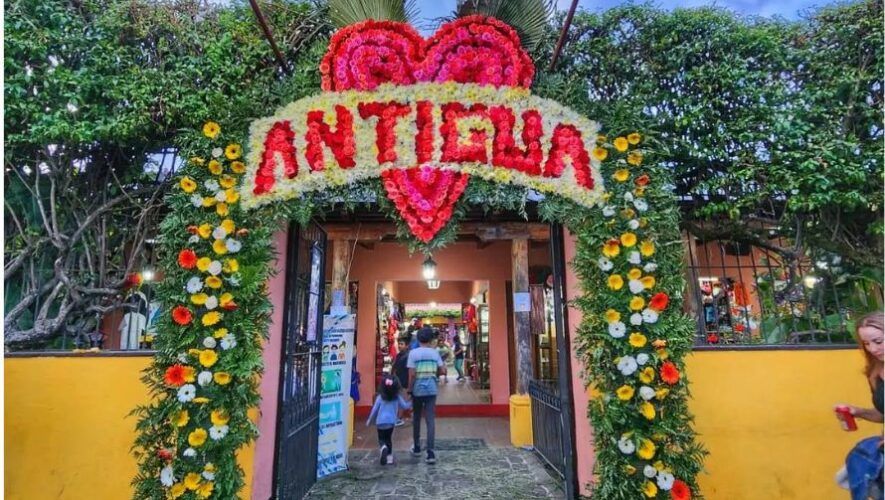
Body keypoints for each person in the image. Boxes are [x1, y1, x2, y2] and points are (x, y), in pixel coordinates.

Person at [834, 311, 884, 499]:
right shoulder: (876, 373)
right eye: (866, 344)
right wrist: (858, 412)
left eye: (878, 341)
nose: (872, 349)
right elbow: (883, 414)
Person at [407, 327, 444, 464]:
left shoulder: (413, 353)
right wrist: (435, 374)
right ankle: (430, 452)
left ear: (418, 339)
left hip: (417, 390)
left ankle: (417, 447)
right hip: (432, 389)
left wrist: (410, 390)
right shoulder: (435, 353)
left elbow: (412, 375)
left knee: (416, 418)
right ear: (430, 339)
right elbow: (443, 369)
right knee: (430, 420)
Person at [366, 374, 411, 466]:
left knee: (381, 439)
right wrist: (412, 401)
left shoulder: (380, 398)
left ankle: (383, 448)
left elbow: (374, 410)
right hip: (391, 423)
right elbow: (405, 406)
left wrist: (370, 420)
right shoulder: (397, 397)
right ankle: (389, 458)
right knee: (389, 439)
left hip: (380, 422)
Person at [392, 336, 411, 426]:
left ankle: (398, 419)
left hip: (404, 382)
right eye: (399, 344)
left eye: (402, 344)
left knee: (402, 401)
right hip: (399, 381)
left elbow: (410, 371)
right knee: (400, 401)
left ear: (407, 346)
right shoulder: (399, 355)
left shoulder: (408, 356)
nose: (399, 346)